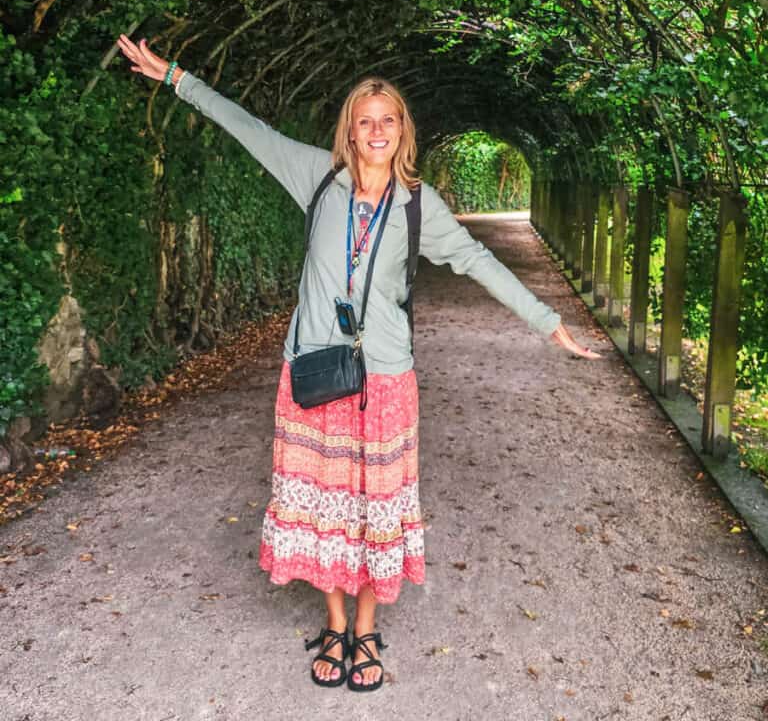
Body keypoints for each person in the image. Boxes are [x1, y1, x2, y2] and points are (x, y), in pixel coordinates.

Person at [117, 34, 600, 693]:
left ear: (404, 130)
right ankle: (336, 623)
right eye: (364, 120)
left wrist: (549, 323)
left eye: (388, 120)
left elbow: (476, 260)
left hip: (385, 381)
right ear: (350, 130)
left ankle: (366, 631)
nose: (376, 130)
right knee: (324, 504)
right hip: (315, 371)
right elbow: (245, 125)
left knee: (376, 506)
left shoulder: (417, 205)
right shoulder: (315, 175)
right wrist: (175, 77)